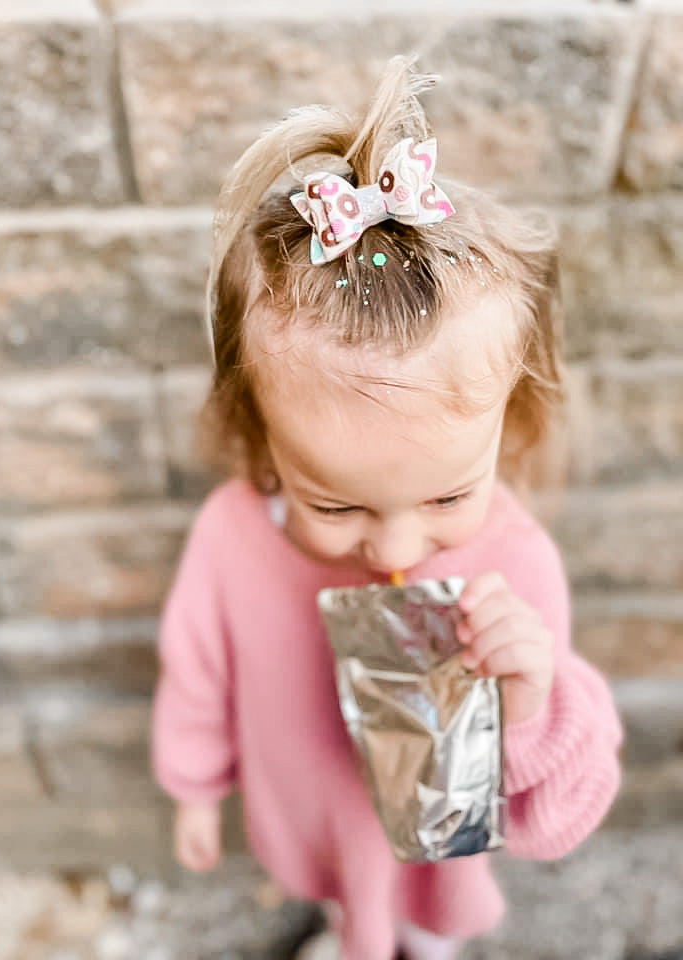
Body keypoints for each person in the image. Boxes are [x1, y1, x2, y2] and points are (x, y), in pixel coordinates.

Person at [151, 57, 623, 960]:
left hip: (430, 850)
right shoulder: (231, 539)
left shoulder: (513, 570)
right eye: (335, 503)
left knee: (418, 913)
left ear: (508, 424)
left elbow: (553, 823)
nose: (396, 544)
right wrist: (195, 788)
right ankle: (346, 929)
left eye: (448, 493)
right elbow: (197, 675)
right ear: (259, 440)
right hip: (313, 814)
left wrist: (529, 703)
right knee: (345, 897)